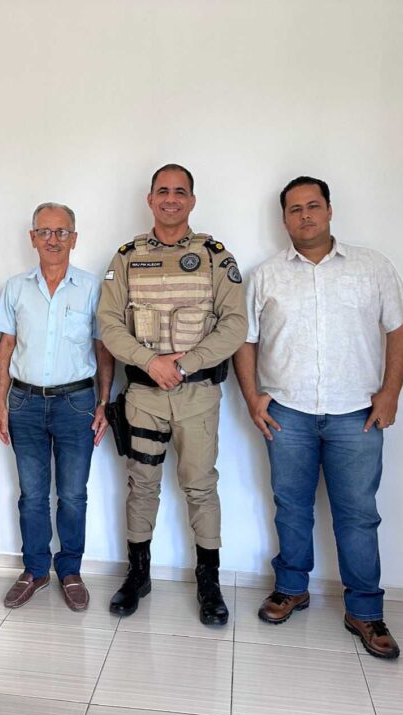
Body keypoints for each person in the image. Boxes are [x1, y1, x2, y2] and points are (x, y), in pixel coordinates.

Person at [233, 176, 403, 659]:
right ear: (284, 219)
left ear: (330, 211)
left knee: (358, 515)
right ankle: (291, 588)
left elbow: (400, 328)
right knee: (291, 507)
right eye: (295, 209)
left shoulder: (372, 267)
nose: (305, 215)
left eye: (313, 206)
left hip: (357, 415)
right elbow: (244, 340)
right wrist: (252, 398)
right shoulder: (266, 275)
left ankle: (365, 610)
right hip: (286, 414)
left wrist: (390, 394)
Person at [97, 164, 247, 625]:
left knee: (200, 486)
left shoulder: (214, 256)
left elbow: (235, 325)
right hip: (142, 395)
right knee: (141, 485)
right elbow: (108, 324)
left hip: (196, 394)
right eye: (163, 191)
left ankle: (209, 582)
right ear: (150, 199)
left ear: (192, 201)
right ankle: (137, 574)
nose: (171, 198)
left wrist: (182, 364)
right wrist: (150, 362)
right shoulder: (127, 257)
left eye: (180, 192)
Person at [0, 202, 113, 611]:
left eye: (61, 232)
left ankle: (71, 570)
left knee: (73, 495)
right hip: (24, 403)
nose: (53, 239)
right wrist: (0, 404)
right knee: (32, 495)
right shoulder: (16, 287)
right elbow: (5, 346)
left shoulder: (92, 288)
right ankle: (36, 569)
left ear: (74, 238)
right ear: (33, 238)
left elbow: (103, 348)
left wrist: (103, 402)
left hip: (77, 403)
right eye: (44, 231)